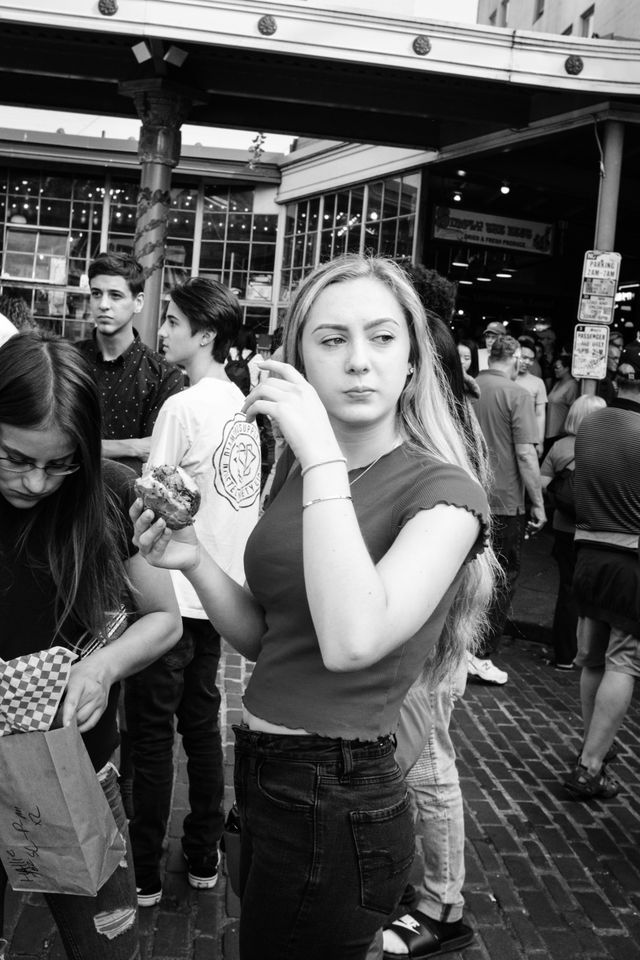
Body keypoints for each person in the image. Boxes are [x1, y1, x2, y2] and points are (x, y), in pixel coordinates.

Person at [132, 254, 495, 960]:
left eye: (383, 338)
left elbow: (353, 641)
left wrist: (320, 456)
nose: (360, 361)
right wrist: (195, 560)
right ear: (297, 363)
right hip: (271, 773)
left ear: (415, 364)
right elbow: (270, 642)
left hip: (341, 789)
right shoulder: (300, 474)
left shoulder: (444, 493)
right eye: (332, 340)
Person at [0, 331, 181, 960]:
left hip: (77, 771)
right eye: (15, 458)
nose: (38, 482)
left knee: (104, 945)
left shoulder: (109, 491)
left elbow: (164, 618)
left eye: (59, 463)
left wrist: (103, 668)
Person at [126, 278, 261, 907]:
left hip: (175, 593)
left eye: (174, 322)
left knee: (151, 735)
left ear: (205, 335)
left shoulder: (183, 406)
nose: (164, 331)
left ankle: (146, 869)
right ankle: (204, 854)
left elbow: (152, 497)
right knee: (202, 725)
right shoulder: (240, 404)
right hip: (222, 593)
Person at [378, 314, 494, 960]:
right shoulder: (437, 428)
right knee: (417, 758)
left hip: (434, 633)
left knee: (428, 762)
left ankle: (444, 902)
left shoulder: (440, 439)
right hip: (429, 631)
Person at [564, 347, 640, 800]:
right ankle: (590, 766)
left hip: (588, 552)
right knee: (624, 662)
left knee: (592, 659)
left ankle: (593, 746)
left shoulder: (591, 423)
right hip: (631, 559)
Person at [473, 335, 546, 683]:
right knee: (501, 577)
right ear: (515, 358)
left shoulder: (468, 387)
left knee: (464, 572)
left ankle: (456, 645)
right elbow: (526, 454)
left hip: (467, 490)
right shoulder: (518, 394)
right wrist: (538, 502)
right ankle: (482, 653)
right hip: (505, 499)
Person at [77, 252, 186, 475]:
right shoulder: (69, 359)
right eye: (96, 294)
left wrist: (87, 447)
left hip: (125, 502)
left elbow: (156, 455)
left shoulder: (164, 375)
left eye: (115, 296)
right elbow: (58, 441)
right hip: (65, 496)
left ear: (138, 302)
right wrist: (132, 446)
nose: (103, 305)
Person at [540, 396, 606, 670]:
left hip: (564, 527)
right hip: (596, 529)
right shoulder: (608, 447)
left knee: (567, 590)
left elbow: (543, 483)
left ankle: (564, 654)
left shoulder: (560, 446)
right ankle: (590, 653)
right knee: (594, 592)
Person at [517, 335, 547, 457]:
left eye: (531, 359)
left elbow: (540, 414)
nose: (527, 362)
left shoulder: (538, 382)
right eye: (524, 358)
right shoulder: (505, 378)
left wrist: (540, 441)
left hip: (528, 438)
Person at [544, 353, 579, 454]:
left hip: (559, 433)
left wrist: (564, 430)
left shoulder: (572, 386)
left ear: (567, 368)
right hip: (549, 431)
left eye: (557, 367)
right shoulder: (557, 383)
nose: (554, 369)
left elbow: (573, 409)